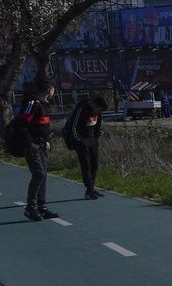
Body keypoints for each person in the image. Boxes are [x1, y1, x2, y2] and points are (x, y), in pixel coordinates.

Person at [17, 81, 59, 221]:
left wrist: (46, 140)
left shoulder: (44, 105)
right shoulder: (33, 104)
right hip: (32, 145)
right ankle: (30, 207)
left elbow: (43, 126)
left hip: (41, 145)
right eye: (52, 91)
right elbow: (22, 124)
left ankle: (42, 207)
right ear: (48, 90)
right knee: (39, 174)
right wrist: (29, 142)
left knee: (44, 174)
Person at [64, 94, 109, 199]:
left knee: (94, 164)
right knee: (86, 165)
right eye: (99, 109)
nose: (99, 112)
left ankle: (92, 187)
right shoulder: (82, 108)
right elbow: (73, 126)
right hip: (81, 139)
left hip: (92, 138)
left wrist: (96, 137)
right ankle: (88, 190)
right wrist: (79, 141)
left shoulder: (98, 111)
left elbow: (98, 125)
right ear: (94, 104)